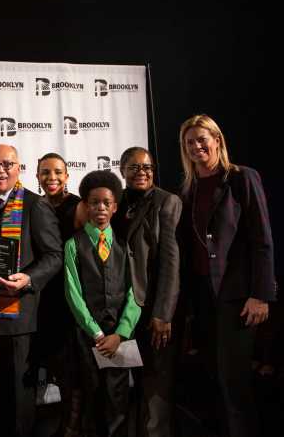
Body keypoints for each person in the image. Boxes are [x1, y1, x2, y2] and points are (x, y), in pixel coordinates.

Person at [178, 114, 276, 436]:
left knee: (235, 384)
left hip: (238, 299)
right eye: (189, 142)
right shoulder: (188, 190)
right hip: (204, 300)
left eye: (201, 139)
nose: (196, 146)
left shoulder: (242, 178)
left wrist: (261, 294)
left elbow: (262, 240)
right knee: (212, 382)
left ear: (217, 140)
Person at [0, 144, 63, 437]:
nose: (0, 170)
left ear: (18, 168)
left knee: (20, 394)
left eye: (7, 164)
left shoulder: (35, 204)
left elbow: (54, 256)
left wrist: (28, 278)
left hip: (19, 312)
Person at [64, 170, 141, 437]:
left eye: (106, 203)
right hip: (90, 336)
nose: (100, 208)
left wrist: (121, 333)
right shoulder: (73, 245)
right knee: (92, 395)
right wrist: (96, 333)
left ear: (115, 207)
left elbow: (134, 292)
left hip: (120, 334)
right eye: (94, 202)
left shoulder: (124, 244)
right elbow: (73, 293)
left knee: (118, 398)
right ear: (85, 206)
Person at [112, 146, 182, 437]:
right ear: (122, 170)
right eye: (134, 167)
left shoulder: (167, 201)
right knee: (124, 385)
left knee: (156, 387)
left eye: (147, 167)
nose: (142, 172)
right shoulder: (115, 202)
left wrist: (163, 314)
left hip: (153, 310)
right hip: (120, 311)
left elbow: (171, 262)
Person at [35, 152, 86, 437]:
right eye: (45, 172)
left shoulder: (79, 206)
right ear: (37, 176)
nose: (51, 177)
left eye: (57, 172)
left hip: (73, 294)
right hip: (46, 296)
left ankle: (72, 426)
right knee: (56, 363)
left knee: (72, 367)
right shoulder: (35, 206)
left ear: (67, 176)